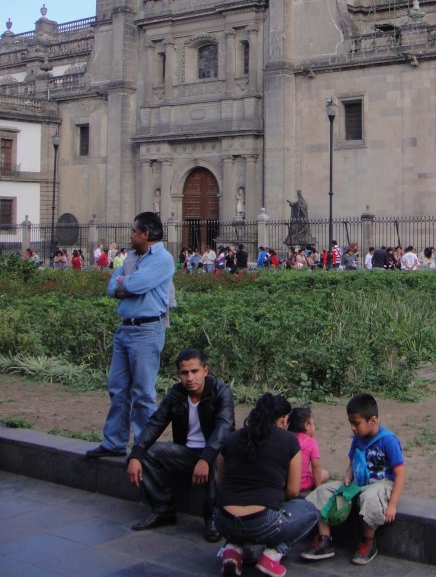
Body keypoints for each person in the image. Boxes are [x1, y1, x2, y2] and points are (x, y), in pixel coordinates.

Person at [86, 211, 175, 458]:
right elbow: (112, 287)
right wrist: (125, 285)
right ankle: (114, 442)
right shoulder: (131, 257)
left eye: (134, 231)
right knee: (117, 388)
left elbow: (134, 285)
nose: (131, 235)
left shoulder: (163, 259)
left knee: (143, 393)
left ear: (146, 234)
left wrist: (126, 283)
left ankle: (143, 448)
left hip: (147, 330)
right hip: (124, 328)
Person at [127, 348, 234, 542]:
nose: (190, 377)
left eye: (194, 371)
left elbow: (223, 430)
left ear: (205, 371)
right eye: (184, 373)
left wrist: (205, 458)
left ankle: (213, 518)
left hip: (216, 452)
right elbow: (156, 422)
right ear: (179, 375)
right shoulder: (176, 394)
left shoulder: (221, 391)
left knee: (218, 461)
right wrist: (136, 453)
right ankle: (163, 509)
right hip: (187, 452)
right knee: (148, 453)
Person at [213, 393, 318, 577]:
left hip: (222, 520)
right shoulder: (289, 441)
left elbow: (220, 483)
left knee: (237, 520)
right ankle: (273, 555)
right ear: (284, 420)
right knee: (310, 511)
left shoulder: (231, 438)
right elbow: (293, 491)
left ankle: (232, 550)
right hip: (261, 522)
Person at [301, 392, 405, 565]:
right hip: (358, 483)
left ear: (372, 420)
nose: (353, 428)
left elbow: (400, 473)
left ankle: (368, 541)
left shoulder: (388, 441)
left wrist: (392, 504)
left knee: (369, 498)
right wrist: (348, 474)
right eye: (351, 423)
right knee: (322, 492)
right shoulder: (358, 438)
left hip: (380, 484)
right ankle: (325, 539)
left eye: (356, 423)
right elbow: (353, 461)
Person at [288, 406, 329, 492]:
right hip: (301, 484)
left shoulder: (287, 438)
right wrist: (318, 488)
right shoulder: (311, 442)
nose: (314, 427)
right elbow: (316, 467)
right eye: (313, 424)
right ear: (307, 425)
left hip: (286, 483)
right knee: (325, 473)